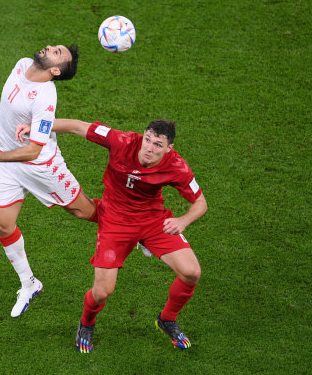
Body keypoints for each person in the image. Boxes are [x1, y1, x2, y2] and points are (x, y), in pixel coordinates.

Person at [17, 118, 207, 352]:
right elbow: (78, 126)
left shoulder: (176, 166)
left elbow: (200, 203)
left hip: (152, 220)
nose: (149, 147)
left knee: (191, 273)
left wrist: (183, 220)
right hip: (115, 221)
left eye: (158, 144)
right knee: (103, 291)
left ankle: (167, 319)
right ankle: (86, 323)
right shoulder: (122, 141)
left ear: (170, 148)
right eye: (147, 140)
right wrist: (38, 126)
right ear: (142, 136)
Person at [0, 45, 99, 318]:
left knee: (85, 212)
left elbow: (34, 150)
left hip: (40, 167)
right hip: (10, 162)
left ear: (55, 71)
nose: (50, 47)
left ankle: (139, 229)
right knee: (3, 226)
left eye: (57, 52)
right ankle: (29, 283)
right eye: (55, 46)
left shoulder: (45, 98)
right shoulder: (22, 62)